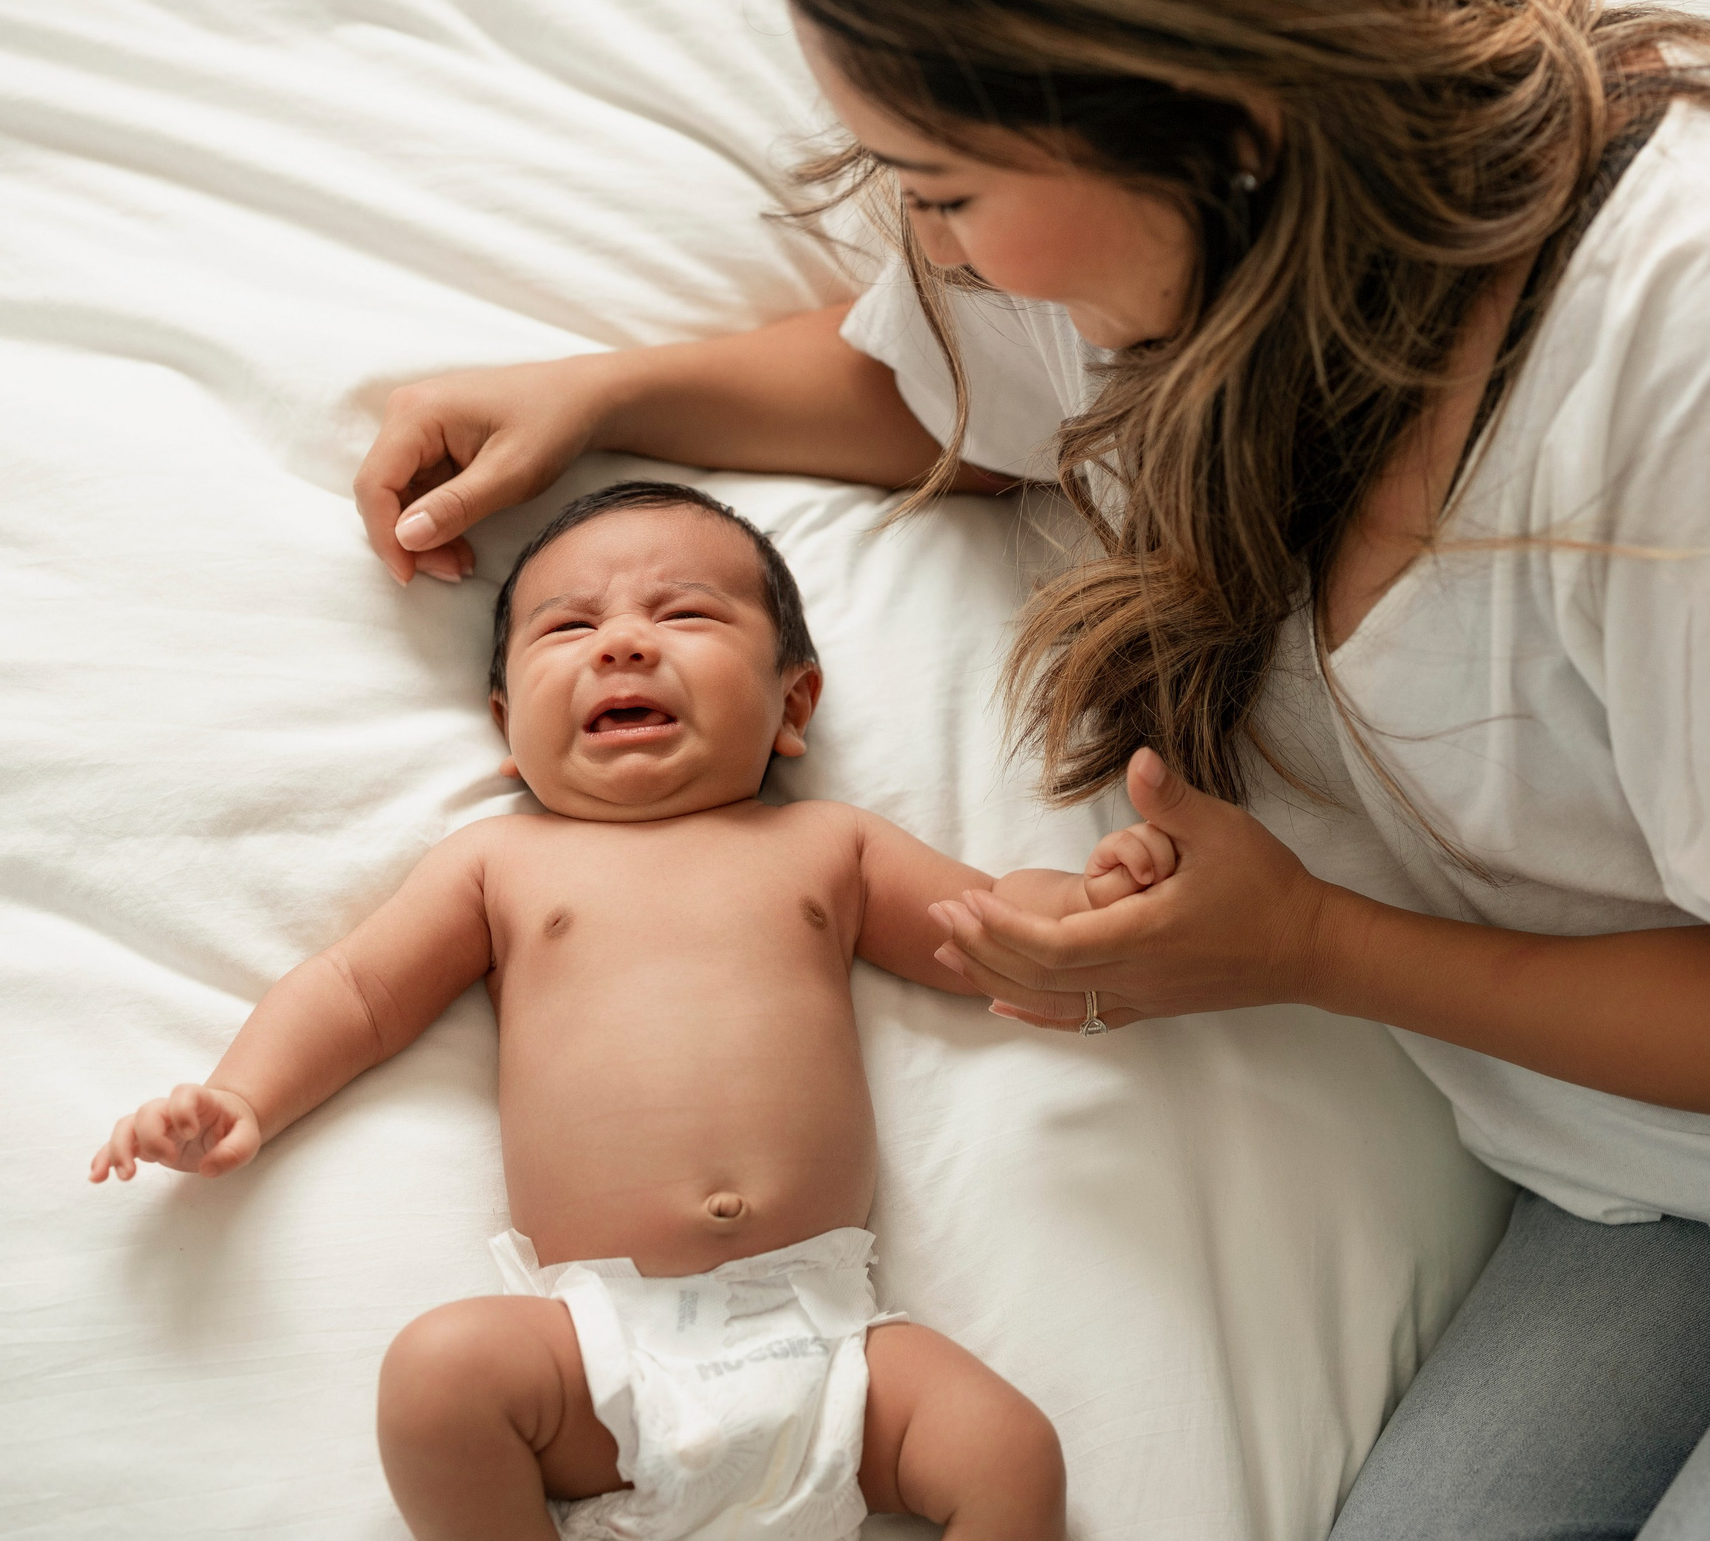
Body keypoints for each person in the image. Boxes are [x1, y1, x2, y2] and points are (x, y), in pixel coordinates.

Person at [348, 0, 1710, 1536]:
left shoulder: (1704, 311)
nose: (927, 252)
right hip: (1686, 1115)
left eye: (938, 186)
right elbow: (932, 386)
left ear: (1198, 95)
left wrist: (1303, 945)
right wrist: (603, 397)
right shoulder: (1185, 247)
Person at [91, 481, 1181, 1541]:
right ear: (507, 721)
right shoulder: (500, 864)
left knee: (1011, 1454)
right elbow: (356, 991)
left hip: (831, 1340)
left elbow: (984, 923)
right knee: (438, 1377)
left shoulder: (824, 847)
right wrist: (242, 1095)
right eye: (569, 627)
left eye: (684, 614)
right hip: (603, 1353)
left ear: (792, 705)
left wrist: (1089, 904)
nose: (621, 644)